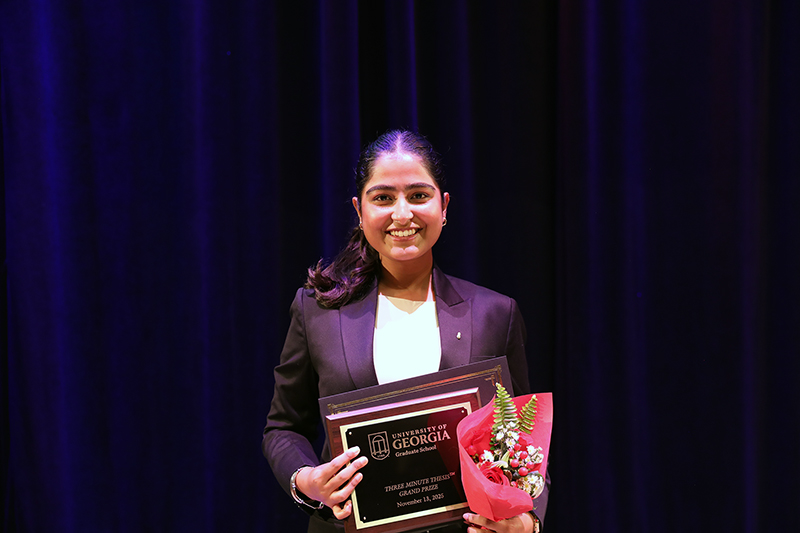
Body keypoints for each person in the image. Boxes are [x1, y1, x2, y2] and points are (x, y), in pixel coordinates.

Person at [262, 130, 548, 533]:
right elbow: (284, 427)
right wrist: (306, 480)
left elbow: (523, 440)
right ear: (359, 211)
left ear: (443, 206)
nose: (402, 214)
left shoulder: (494, 313)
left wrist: (527, 521)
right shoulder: (317, 310)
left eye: (418, 196)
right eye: (383, 198)